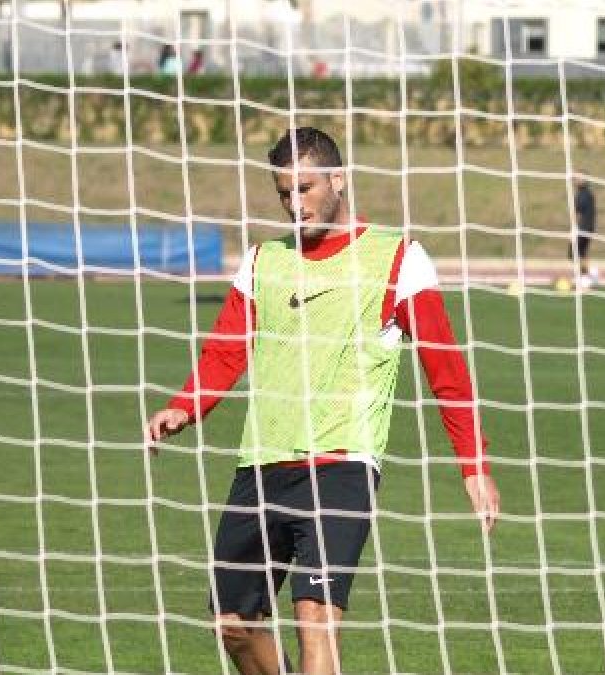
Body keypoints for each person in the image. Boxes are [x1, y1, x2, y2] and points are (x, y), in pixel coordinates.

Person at [145, 127, 499, 675]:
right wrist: (185, 406)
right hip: (262, 463)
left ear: (339, 179)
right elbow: (225, 351)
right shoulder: (264, 261)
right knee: (234, 624)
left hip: (342, 465)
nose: (295, 204)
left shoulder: (399, 259)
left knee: (316, 616)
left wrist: (473, 465)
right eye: (284, 192)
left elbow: (446, 369)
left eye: (305, 189)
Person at [569, 177, 598, 290]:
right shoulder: (586, 194)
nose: (575, 181)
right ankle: (586, 277)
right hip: (587, 227)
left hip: (583, 228)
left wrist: (575, 228)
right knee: (581, 253)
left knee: (575, 253)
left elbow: (578, 211)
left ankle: (586, 278)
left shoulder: (584, 195)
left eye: (578, 179)